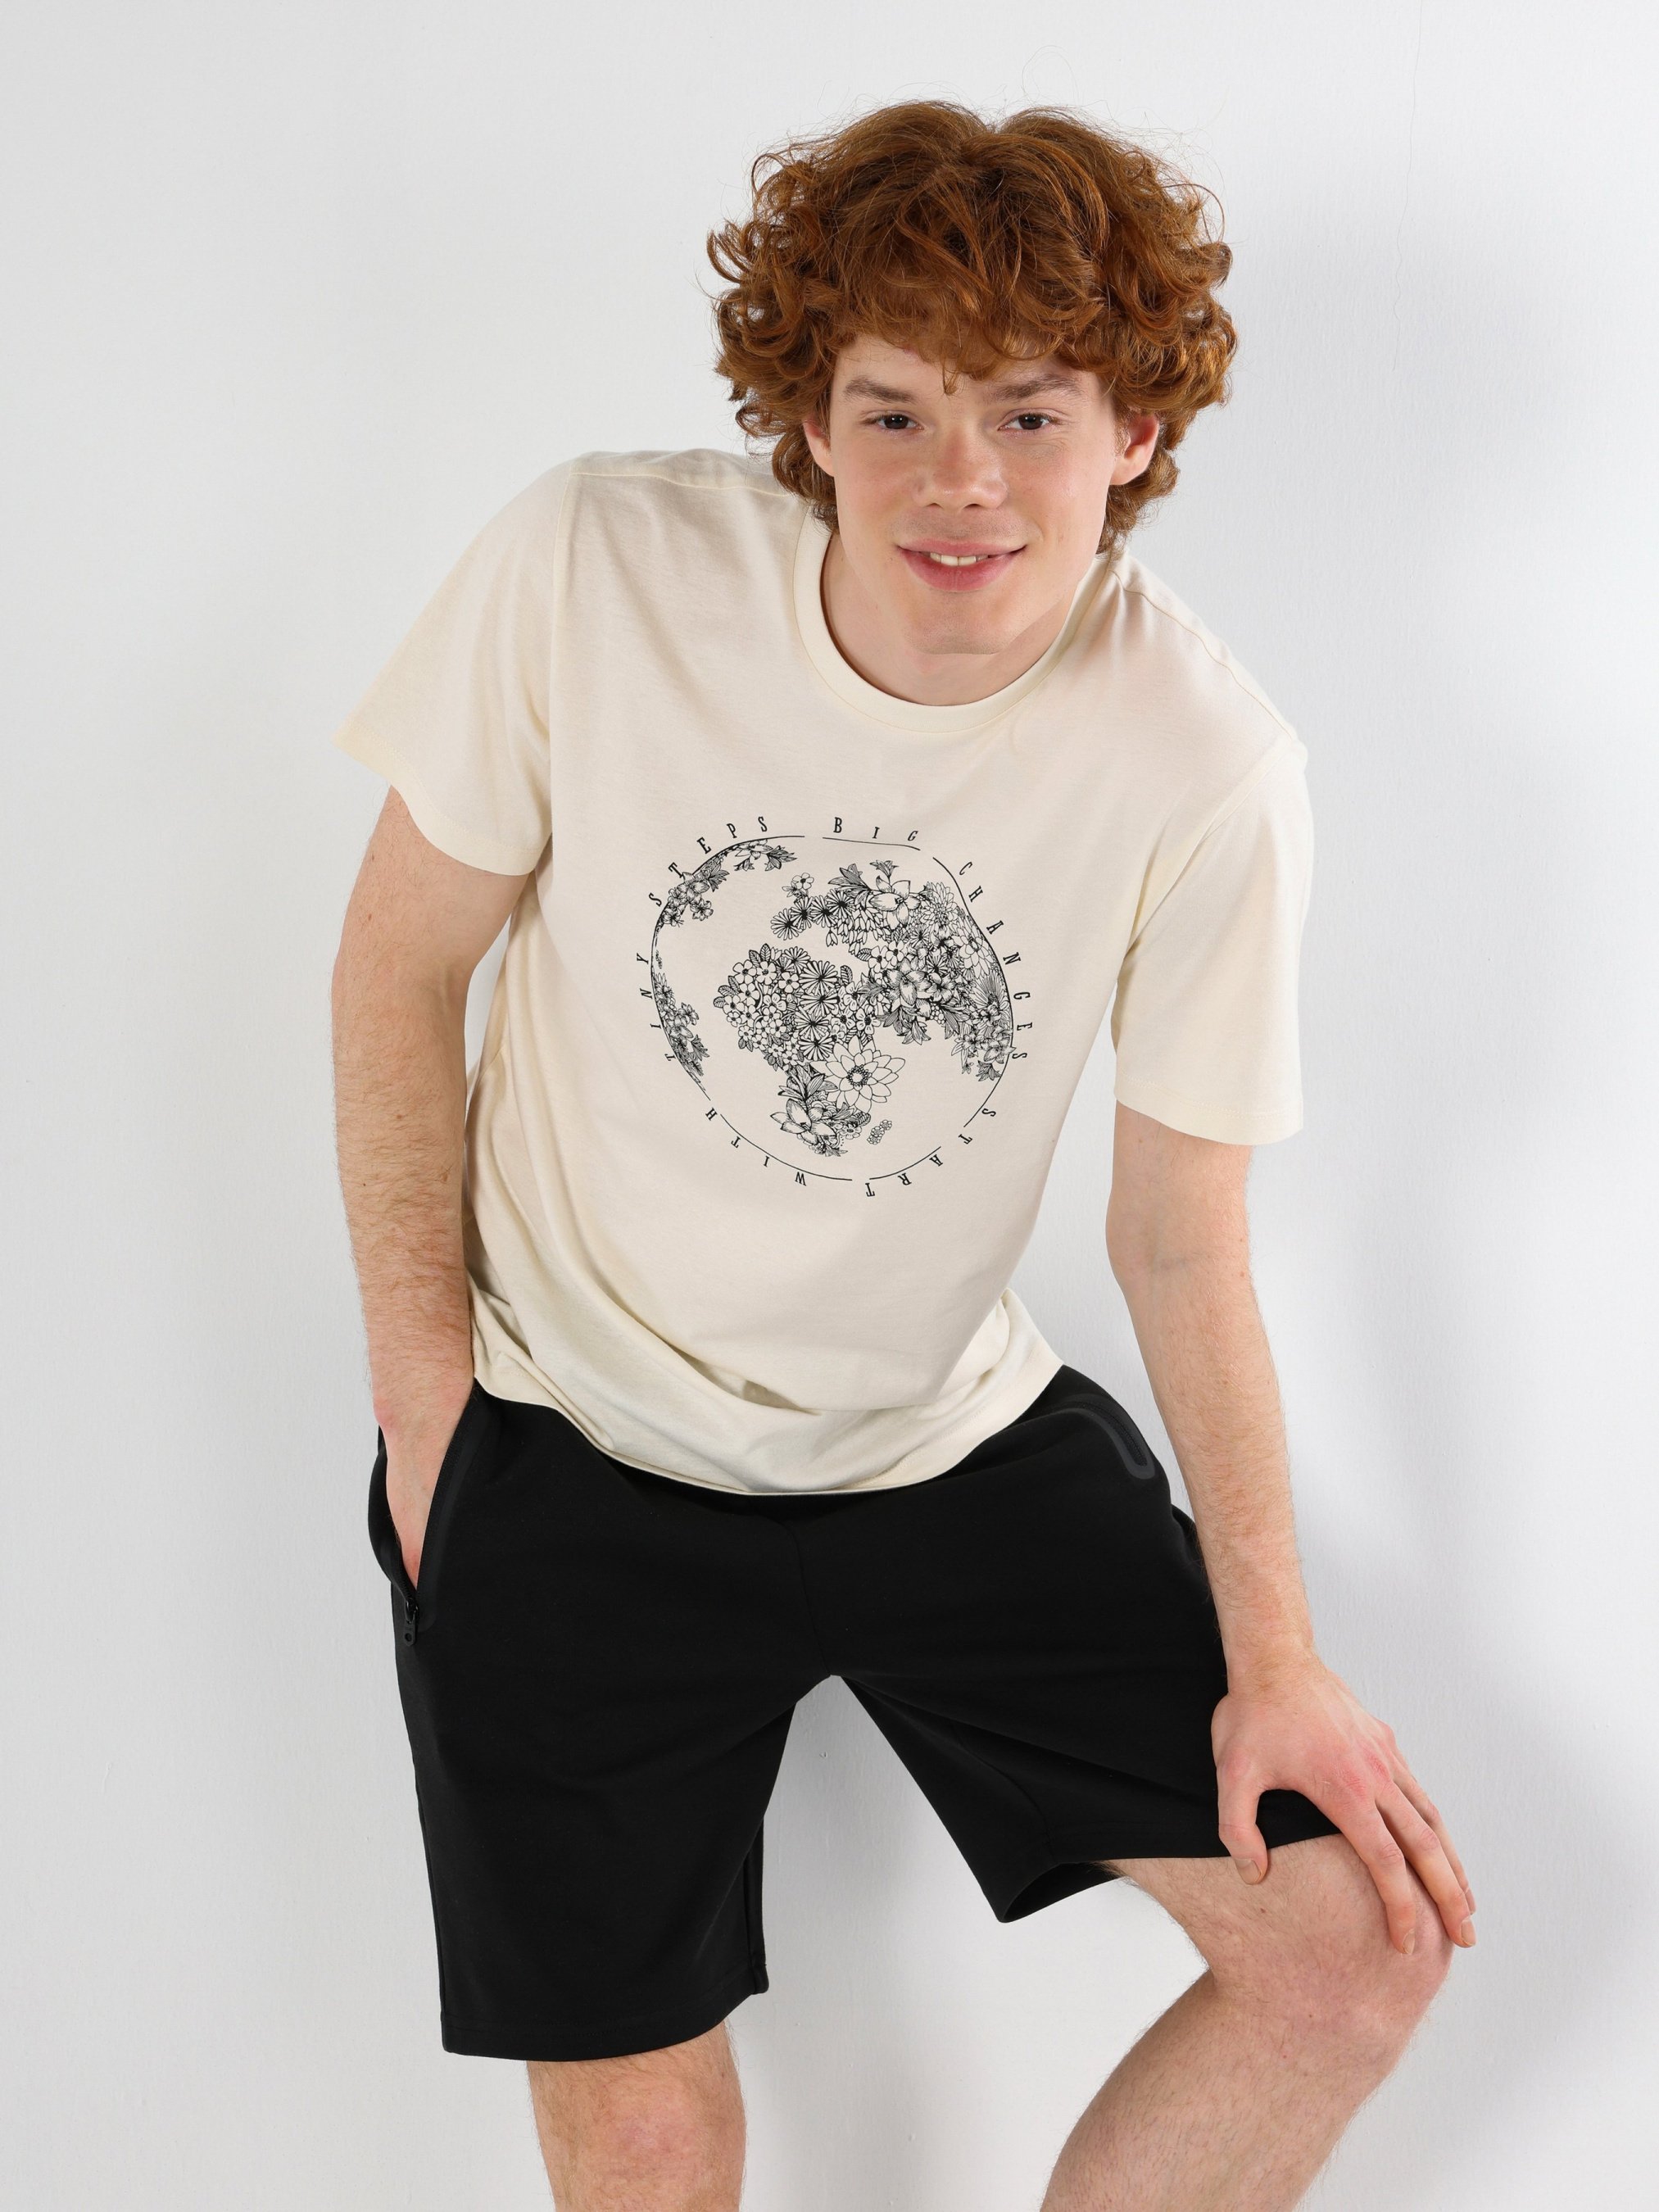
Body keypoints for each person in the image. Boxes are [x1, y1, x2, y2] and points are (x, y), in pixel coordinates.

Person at [329, 97, 1474, 2212]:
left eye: (1029, 414)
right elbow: (399, 968)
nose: (962, 482)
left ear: (1132, 430)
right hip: (565, 1447)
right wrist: (430, 1417)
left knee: (1345, 1955)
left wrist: (1281, 1660)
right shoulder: (592, 569)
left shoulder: (1204, 759)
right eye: (895, 412)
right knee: (643, 2131)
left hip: (938, 1441)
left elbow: (1181, 1235)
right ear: (809, 422)